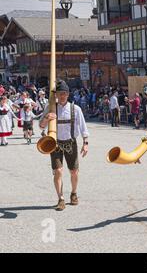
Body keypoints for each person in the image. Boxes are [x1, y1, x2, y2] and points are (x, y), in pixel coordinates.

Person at [39, 80, 89, 211]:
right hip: (54, 144)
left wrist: (85, 143)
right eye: (60, 93)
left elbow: (83, 127)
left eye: (65, 93)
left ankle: (73, 193)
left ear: (68, 94)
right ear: (56, 95)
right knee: (58, 171)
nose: (62, 96)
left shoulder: (75, 109)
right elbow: (41, 126)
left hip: (71, 143)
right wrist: (46, 118)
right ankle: (60, 199)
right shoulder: (50, 108)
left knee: (74, 171)